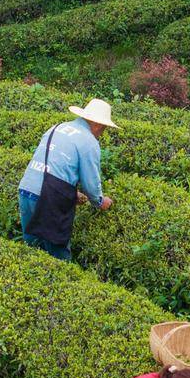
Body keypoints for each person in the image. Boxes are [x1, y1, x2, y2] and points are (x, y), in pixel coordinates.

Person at [17, 98, 116, 261]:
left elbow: (51, 166)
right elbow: (91, 184)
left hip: (26, 188)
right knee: (59, 256)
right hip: (48, 198)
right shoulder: (89, 141)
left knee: (32, 250)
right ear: (98, 125)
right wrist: (99, 201)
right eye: (104, 128)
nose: (102, 132)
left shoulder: (57, 128)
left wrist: (71, 193)